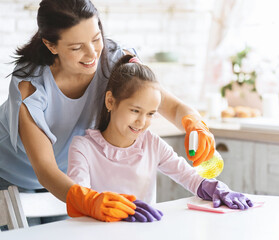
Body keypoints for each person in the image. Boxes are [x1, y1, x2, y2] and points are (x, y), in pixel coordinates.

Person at [0, 0, 214, 226]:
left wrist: (195, 124)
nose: (92, 53)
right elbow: (45, 169)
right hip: (11, 176)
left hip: (69, 178)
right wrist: (89, 200)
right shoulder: (29, 86)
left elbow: (172, 105)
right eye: (76, 47)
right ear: (51, 45)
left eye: (96, 38)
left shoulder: (113, 59)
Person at [67, 55, 253, 222]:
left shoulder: (151, 143)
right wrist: (111, 210)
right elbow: (80, 197)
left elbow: (188, 176)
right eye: (135, 111)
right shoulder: (83, 147)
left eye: (150, 114)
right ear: (110, 101)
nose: (141, 122)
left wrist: (214, 188)